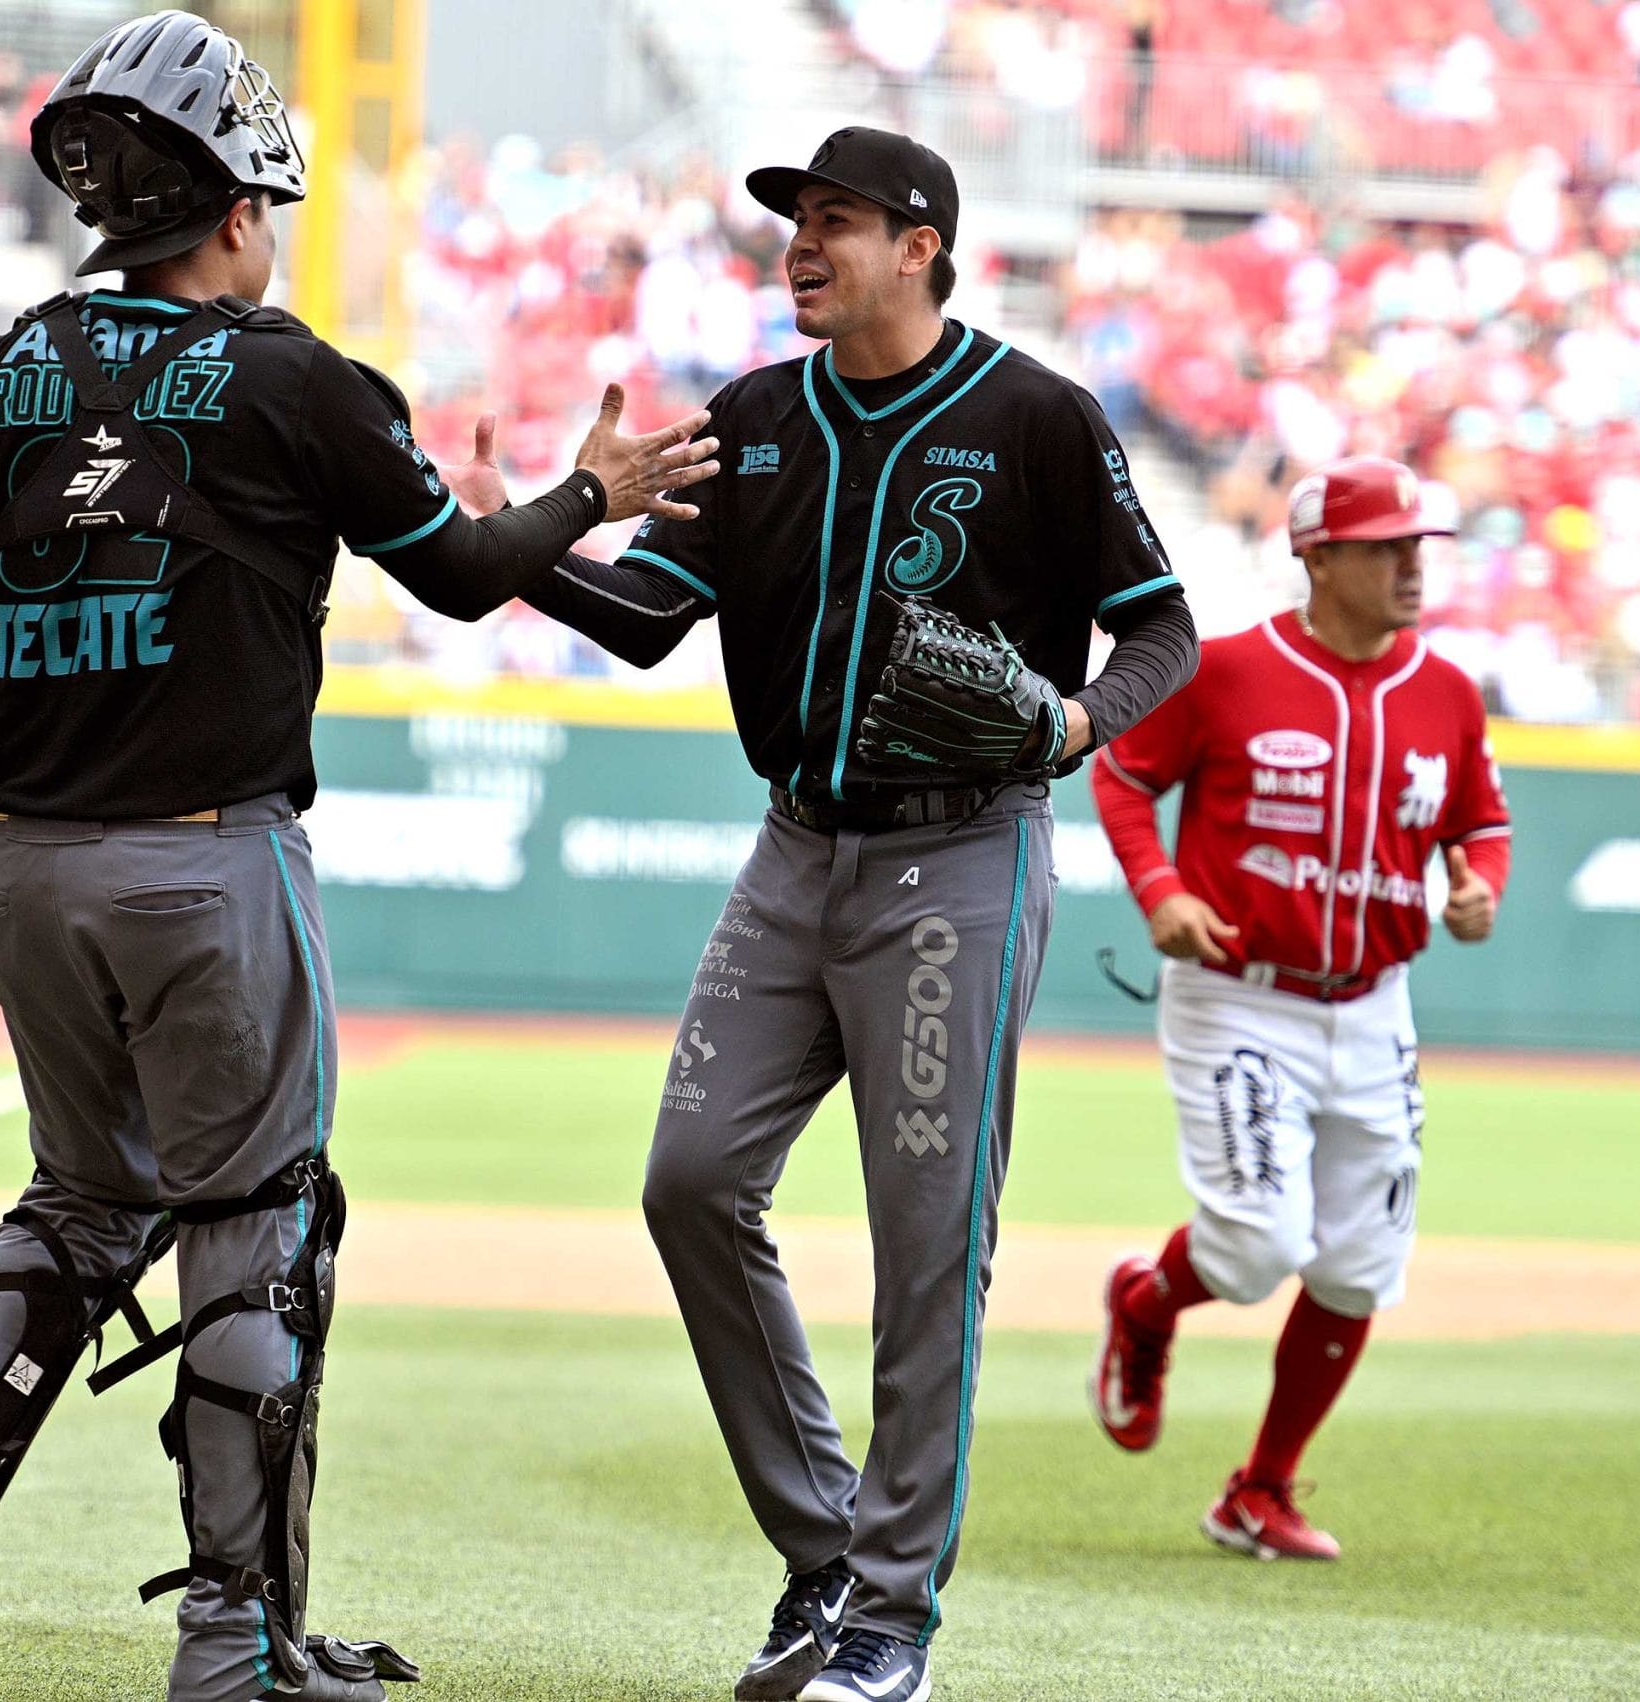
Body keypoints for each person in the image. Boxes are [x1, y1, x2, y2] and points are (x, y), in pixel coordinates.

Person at [0, 13, 718, 1701]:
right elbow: (466, 575)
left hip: (21, 861)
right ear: (235, 210)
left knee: (85, 1191)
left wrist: (41, 723)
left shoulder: (0, 368)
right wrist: (591, 487)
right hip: (206, 864)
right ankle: (233, 1638)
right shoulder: (294, 373)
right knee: (256, 1223)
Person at [446, 126, 1198, 1702]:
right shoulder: (756, 418)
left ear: (922, 245)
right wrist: (515, 540)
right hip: (799, 848)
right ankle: (825, 1563)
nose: (800, 243)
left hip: (962, 857)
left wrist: (1075, 727)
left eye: (836, 221)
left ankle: (892, 1627)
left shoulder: (1037, 416)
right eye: (794, 222)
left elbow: (1163, 630)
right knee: (689, 1178)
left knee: (929, 1249)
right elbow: (652, 615)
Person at [1086, 456, 1511, 1560]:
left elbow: (1480, 820)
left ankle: (1258, 1491)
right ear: (1317, 557)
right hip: (1238, 994)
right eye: (1387, 547)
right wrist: (1161, 889)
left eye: (1421, 548)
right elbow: (1123, 774)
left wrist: (1479, 887)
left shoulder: (1447, 690)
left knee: (1360, 1263)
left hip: (1375, 1005)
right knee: (1254, 1248)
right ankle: (1145, 1300)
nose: (1413, 567)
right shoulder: (1227, 669)